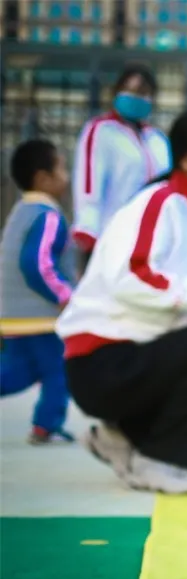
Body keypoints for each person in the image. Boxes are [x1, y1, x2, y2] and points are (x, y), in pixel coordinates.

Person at [56, 108, 187, 494]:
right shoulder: (162, 203)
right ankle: (159, 460)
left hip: (143, 359)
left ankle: (122, 440)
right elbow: (132, 277)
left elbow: (181, 305)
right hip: (104, 362)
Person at [0, 138, 76, 443]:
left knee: (21, 371)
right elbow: (37, 263)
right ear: (43, 178)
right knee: (60, 368)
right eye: (62, 168)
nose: (67, 175)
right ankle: (46, 426)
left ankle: (46, 425)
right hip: (40, 316)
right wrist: (64, 296)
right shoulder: (48, 216)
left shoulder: (20, 212)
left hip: (14, 314)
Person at [72, 63, 171, 267]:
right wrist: (88, 229)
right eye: (130, 90)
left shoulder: (157, 139)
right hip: (111, 236)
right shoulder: (101, 131)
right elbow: (89, 183)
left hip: (153, 239)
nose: (136, 97)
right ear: (116, 92)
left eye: (144, 93)